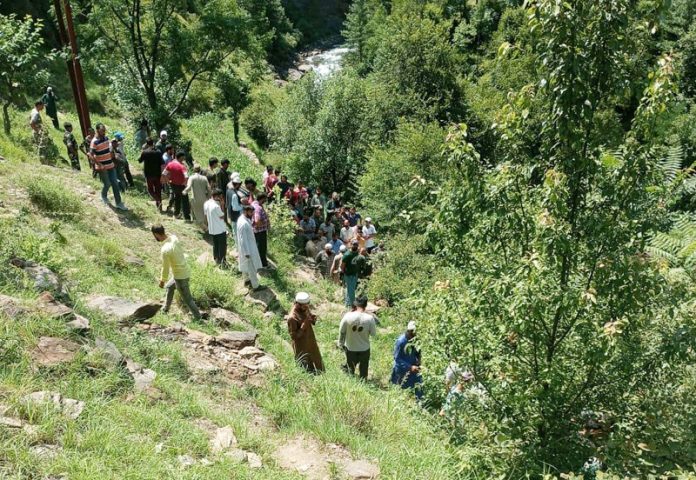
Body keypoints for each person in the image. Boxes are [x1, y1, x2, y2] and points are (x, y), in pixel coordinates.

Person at [151, 224, 201, 320]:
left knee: (188, 299)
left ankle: (198, 318)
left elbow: (165, 268)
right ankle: (165, 309)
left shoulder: (165, 249)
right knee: (169, 287)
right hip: (183, 271)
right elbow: (170, 236)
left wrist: (162, 280)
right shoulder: (174, 238)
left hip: (180, 277)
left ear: (156, 234)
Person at [338, 296, 377, 379]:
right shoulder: (370, 318)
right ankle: (363, 383)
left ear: (355, 304)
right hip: (364, 349)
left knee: (350, 370)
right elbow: (373, 334)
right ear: (365, 306)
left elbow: (342, 331)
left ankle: (351, 385)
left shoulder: (347, 316)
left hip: (350, 348)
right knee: (363, 371)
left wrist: (340, 344)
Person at [91, 123, 128, 211]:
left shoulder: (106, 138)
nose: (104, 132)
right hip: (102, 167)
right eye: (102, 130)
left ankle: (119, 203)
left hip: (110, 165)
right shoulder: (94, 142)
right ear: (97, 130)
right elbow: (91, 154)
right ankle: (103, 196)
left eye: (104, 130)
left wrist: (113, 158)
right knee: (107, 184)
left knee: (115, 183)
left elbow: (108, 150)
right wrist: (99, 164)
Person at [286, 292, 324, 374]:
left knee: (317, 362)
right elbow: (294, 337)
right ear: (298, 304)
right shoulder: (292, 318)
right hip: (301, 346)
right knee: (305, 368)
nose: (307, 307)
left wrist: (312, 319)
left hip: (310, 341)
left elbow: (309, 318)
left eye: (307, 305)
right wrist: (303, 326)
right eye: (305, 306)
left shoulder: (305, 308)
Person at [390, 321, 422, 399]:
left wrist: (419, 359)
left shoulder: (415, 340)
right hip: (402, 370)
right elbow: (397, 358)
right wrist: (410, 367)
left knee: (419, 388)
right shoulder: (401, 341)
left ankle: (420, 404)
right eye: (412, 333)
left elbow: (418, 351)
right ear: (408, 331)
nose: (413, 335)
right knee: (399, 391)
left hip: (413, 369)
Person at [236, 204, 263, 290]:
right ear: (245, 211)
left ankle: (247, 280)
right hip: (248, 249)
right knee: (252, 268)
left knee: (245, 266)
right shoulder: (243, 223)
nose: (252, 214)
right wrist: (246, 252)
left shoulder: (243, 219)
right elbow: (242, 239)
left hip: (247, 247)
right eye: (251, 212)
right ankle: (255, 286)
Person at [164, 151, 191, 221]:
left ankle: (176, 214)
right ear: (181, 157)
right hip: (181, 186)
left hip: (173, 184)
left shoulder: (170, 164)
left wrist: (168, 181)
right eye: (183, 157)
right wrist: (185, 183)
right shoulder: (182, 166)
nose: (184, 158)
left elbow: (164, 173)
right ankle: (187, 217)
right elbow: (186, 176)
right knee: (185, 201)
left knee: (177, 198)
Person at [138, 139, 165, 210]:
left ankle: (157, 200)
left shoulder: (145, 152)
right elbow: (162, 163)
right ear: (153, 143)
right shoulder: (158, 152)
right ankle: (160, 207)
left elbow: (139, 161)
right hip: (157, 174)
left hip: (149, 174)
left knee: (150, 190)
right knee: (158, 190)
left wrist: (142, 151)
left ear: (147, 144)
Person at [204, 189, 228, 266]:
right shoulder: (216, 206)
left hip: (212, 228)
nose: (221, 198)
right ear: (217, 196)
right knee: (222, 245)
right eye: (220, 197)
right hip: (220, 229)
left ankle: (216, 258)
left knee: (215, 244)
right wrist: (222, 205)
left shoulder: (206, 203)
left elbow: (205, 215)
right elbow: (222, 216)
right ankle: (222, 260)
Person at [183, 165, 211, 230]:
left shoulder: (192, 178)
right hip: (204, 199)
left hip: (195, 199)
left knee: (197, 216)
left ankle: (206, 229)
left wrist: (184, 191)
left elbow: (189, 187)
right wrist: (209, 197)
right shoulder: (204, 178)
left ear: (193, 170)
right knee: (204, 214)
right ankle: (207, 228)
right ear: (200, 170)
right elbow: (209, 188)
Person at [252, 193, 270, 268]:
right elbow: (257, 221)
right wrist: (265, 223)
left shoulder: (254, 204)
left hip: (258, 231)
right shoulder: (258, 208)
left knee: (259, 247)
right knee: (262, 248)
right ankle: (262, 264)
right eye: (264, 200)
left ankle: (260, 263)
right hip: (260, 231)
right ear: (262, 199)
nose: (265, 201)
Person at [341, 240, 361, 308]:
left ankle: (347, 304)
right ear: (350, 245)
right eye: (353, 244)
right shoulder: (347, 255)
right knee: (351, 290)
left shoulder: (357, 253)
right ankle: (353, 305)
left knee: (350, 289)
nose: (355, 246)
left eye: (356, 244)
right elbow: (342, 266)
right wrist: (344, 273)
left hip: (355, 274)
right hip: (349, 275)